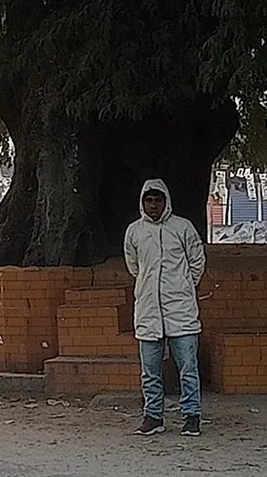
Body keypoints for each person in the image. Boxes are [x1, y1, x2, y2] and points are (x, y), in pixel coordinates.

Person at [124, 178, 206, 437]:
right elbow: (134, 267)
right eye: (149, 200)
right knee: (150, 372)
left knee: (188, 369)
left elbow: (197, 262)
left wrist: (182, 287)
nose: (153, 205)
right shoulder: (134, 232)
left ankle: (191, 416)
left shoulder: (183, 228)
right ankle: (153, 416)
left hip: (181, 311)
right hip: (148, 311)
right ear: (142, 202)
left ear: (166, 201)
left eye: (158, 200)